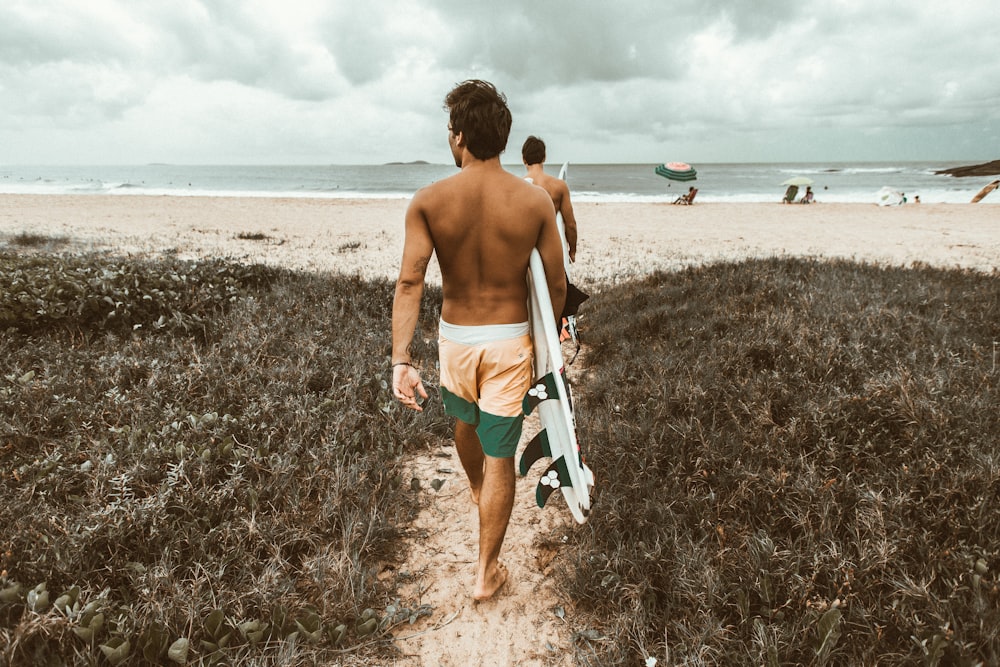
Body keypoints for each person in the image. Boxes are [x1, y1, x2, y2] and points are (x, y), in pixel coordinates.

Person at [391, 80, 566, 601]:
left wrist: (401, 358)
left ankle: (477, 493)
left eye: (450, 130)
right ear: (503, 138)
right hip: (510, 341)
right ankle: (486, 570)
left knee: (462, 420)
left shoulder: (428, 201)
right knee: (501, 457)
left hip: (457, 341)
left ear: (459, 137)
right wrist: (548, 340)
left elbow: (410, 280)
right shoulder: (534, 203)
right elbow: (555, 284)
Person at [521, 136, 578, 262]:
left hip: (525, 253)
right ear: (544, 157)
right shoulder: (559, 186)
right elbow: (571, 225)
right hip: (551, 250)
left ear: (523, 159)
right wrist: (572, 251)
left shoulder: (517, 187)